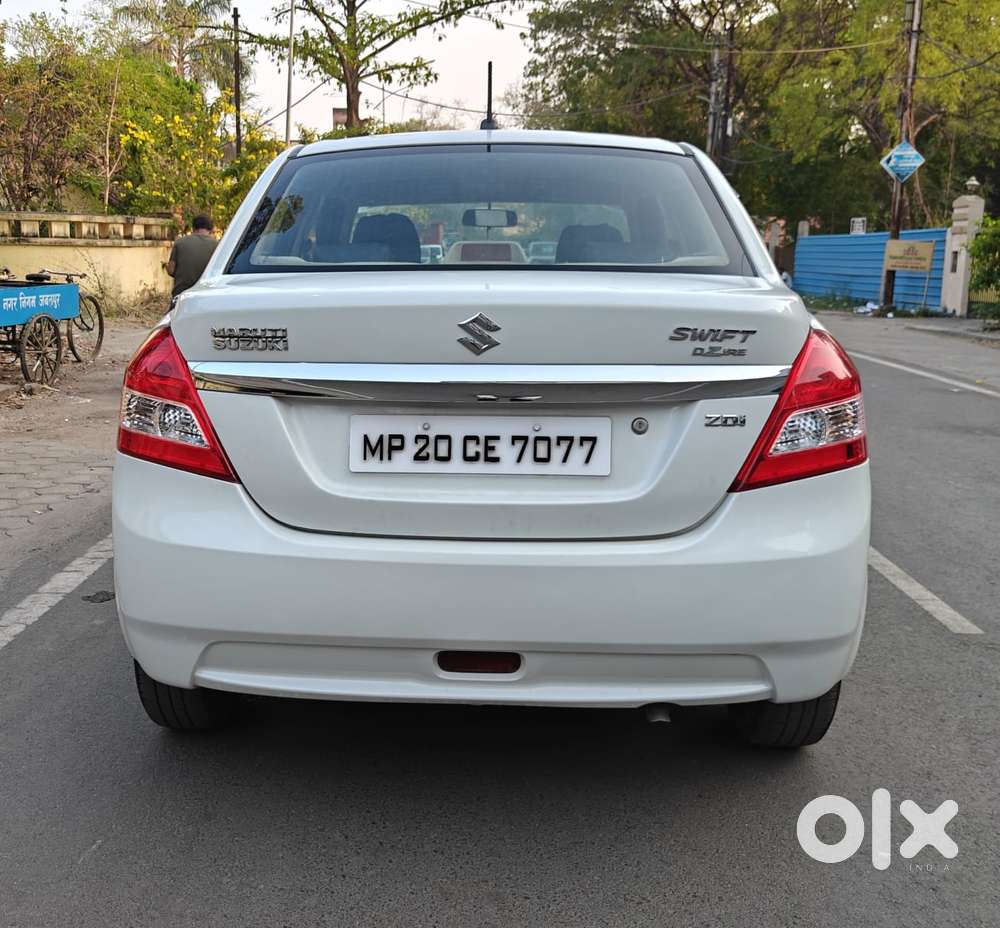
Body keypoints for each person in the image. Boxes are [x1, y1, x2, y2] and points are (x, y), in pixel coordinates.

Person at [166, 214, 217, 297]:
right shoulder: (217, 246)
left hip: (181, 294)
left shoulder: (180, 243)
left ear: (193, 227)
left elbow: (171, 270)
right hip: (207, 294)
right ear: (211, 229)